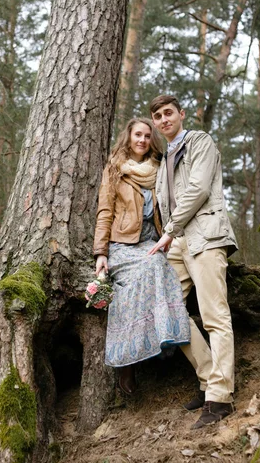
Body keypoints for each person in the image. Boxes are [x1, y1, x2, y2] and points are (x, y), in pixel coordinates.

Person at [148, 95, 238, 429]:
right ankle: (209, 378)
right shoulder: (164, 159)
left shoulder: (200, 141)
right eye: (157, 116)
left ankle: (220, 397)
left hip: (206, 235)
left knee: (215, 316)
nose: (163, 120)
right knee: (170, 310)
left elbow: (198, 188)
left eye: (168, 113)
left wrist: (169, 231)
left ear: (181, 115)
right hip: (178, 242)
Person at [93, 117, 191, 395]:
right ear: (129, 136)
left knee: (159, 265)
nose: (142, 140)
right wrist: (101, 253)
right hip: (122, 245)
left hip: (152, 242)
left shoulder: (160, 170)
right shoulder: (115, 170)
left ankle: (162, 342)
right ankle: (127, 364)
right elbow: (105, 212)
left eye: (148, 136)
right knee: (137, 280)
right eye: (138, 135)